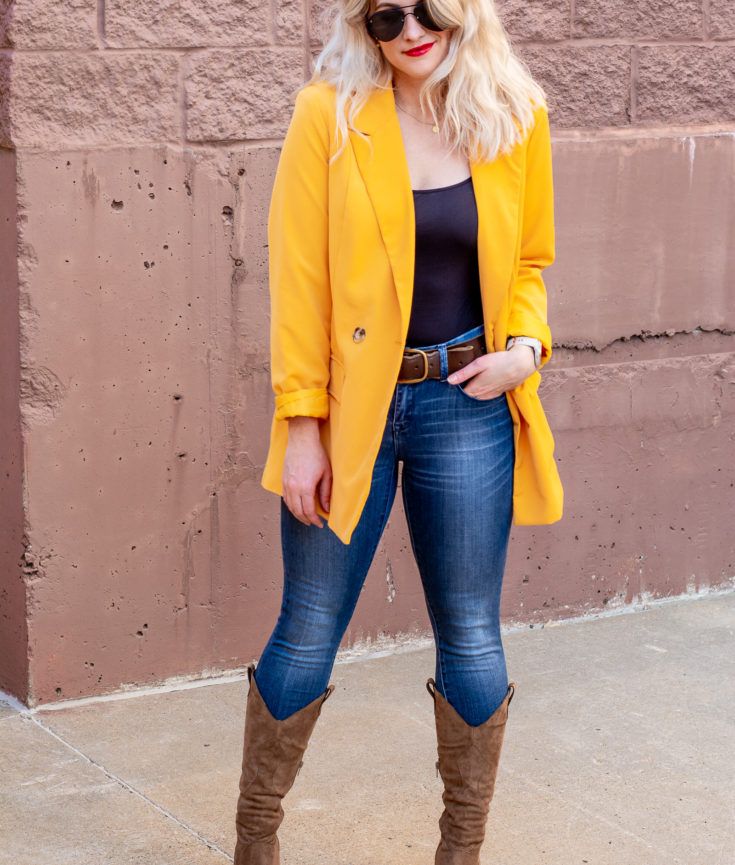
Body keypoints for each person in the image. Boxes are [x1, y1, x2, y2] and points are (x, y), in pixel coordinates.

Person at [233, 0, 563, 862]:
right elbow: (296, 278)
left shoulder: (513, 114)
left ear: (464, 14)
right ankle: (254, 843)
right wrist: (301, 424)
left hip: (468, 400)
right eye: (386, 18)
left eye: (429, 11)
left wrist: (524, 348)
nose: (411, 30)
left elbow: (529, 257)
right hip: (351, 413)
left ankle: (461, 850)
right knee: (306, 627)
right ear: (362, 29)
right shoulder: (329, 115)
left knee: (470, 631)